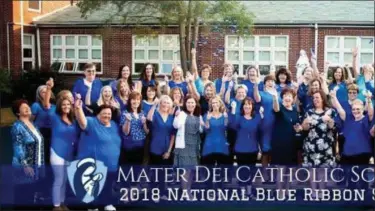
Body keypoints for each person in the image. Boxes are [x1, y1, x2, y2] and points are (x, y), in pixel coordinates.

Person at [74, 94, 121, 211]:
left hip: (111, 164)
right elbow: (82, 122)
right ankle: (92, 207)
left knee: (107, 185)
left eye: (109, 114)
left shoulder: (114, 125)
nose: (107, 115)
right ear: (98, 114)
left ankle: (107, 203)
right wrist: (78, 108)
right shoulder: (92, 122)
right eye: (104, 113)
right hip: (94, 164)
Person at [44, 79, 79, 211]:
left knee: (65, 180)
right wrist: (49, 88)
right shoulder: (54, 116)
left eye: (68, 105)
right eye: (63, 104)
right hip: (57, 152)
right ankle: (56, 206)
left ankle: (62, 203)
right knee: (59, 179)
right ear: (60, 105)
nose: (66, 106)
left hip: (69, 153)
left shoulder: (73, 119)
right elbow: (47, 105)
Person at [301, 90, 336, 199]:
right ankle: (313, 192)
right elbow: (304, 128)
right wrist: (306, 122)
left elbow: (332, 127)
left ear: (322, 99)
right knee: (312, 171)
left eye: (317, 97)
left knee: (322, 170)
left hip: (325, 146)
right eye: (314, 98)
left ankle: (322, 192)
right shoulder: (309, 112)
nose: (315, 99)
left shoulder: (330, 111)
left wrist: (329, 120)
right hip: (311, 145)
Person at [11, 99, 45, 209]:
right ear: (18, 112)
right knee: (24, 198)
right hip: (24, 167)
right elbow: (17, 147)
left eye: (28, 106)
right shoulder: (17, 126)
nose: (27, 108)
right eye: (23, 107)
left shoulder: (33, 125)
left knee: (34, 198)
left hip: (37, 166)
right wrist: (25, 165)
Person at [271, 88, 302, 197]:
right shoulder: (280, 108)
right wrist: (275, 97)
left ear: (293, 99)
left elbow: (297, 125)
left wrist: (299, 128)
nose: (288, 98)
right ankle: (280, 193)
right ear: (283, 97)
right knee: (281, 170)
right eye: (286, 95)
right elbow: (276, 109)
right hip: (280, 144)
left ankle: (287, 191)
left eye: (290, 96)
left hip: (291, 144)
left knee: (289, 170)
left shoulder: (294, 111)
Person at [228, 97, 261, 196]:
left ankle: (249, 192)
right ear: (242, 107)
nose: (247, 106)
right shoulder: (239, 117)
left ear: (252, 106)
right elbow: (232, 125)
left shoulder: (257, 118)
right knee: (242, 171)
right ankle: (242, 192)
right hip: (240, 149)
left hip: (253, 149)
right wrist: (233, 112)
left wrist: (259, 149)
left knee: (251, 171)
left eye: (249, 104)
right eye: (245, 104)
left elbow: (259, 133)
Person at [173, 95, 204, 200]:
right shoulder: (182, 114)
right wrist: (177, 115)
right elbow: (176, 125)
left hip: (194, 146)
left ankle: (188, 190)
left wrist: (204, 124)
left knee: (191, 171)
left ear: (196, 104)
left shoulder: (198, 116)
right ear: (185, 104)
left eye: (192, 103)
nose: (191, 104)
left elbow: (201, 130)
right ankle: (185, 193)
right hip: (184, 146)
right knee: (186, 171)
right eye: (189, 102)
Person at [331, 90, 373, 164]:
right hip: (346, 155)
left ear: (363, 109)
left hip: (362, 155)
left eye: (358, 109)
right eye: (353, 109)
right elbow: (340, 109)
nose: (355, 111)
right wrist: (334, 97)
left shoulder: (366, 119)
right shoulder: (349, 119)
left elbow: (370, 113)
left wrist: (369, 99)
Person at [147, 95, 175, 197]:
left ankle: (163, 192)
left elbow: (173, 135)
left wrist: (169, 150)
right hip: (155, 146)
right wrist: (154, 105)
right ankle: (153, 193)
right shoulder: (155, 114)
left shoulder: (172, 117)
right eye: (164, 102)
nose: (166, 104)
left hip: (167, 146)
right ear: (160, 103)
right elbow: (149, 119)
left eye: (168, 103)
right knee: (155, 172)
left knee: (164, 173)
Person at [254, 75, 278, 176]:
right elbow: (257, 98)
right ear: (264, 84)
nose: (270, 82)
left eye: (272, 81)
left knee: (275, 151)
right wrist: (255, 85)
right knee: (265, 150)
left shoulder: (279, 94)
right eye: (268, 81)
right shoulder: (262, 94)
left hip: (277, 125)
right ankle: (265, 175)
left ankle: (273, 175)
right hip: (265, 124)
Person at [120, 91, 149, 165]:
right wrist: (128, 121)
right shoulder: (125, 113)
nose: (136, 101)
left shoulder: (143, 113)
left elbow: (147, 132)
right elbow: (125, 132)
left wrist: (144, 123)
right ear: (130, 101)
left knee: (138, 169)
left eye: (138, 99)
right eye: (133, 99)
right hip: (129, 146)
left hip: (141, 146)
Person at [202, 96, 230, 167]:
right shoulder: (206, 115)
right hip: (209, 146)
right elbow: (206, 130)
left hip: (222, 145)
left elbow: (226, 128)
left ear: (220, 103)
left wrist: (226, 118)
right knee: (209, 171)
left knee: (222, 171)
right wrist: (208, 119)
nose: (215, 104)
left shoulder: (225, 115)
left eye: (216, 102)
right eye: (213, 103)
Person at [31, 84, 55, 165]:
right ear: (39, 94)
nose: (45, 93)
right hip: (40, 132)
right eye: (43, 92)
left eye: (47, 91)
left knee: (51, 155)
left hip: (52, 133)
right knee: (42, 156)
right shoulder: (36, 106)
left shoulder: (54, 106)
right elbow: (30, 121)